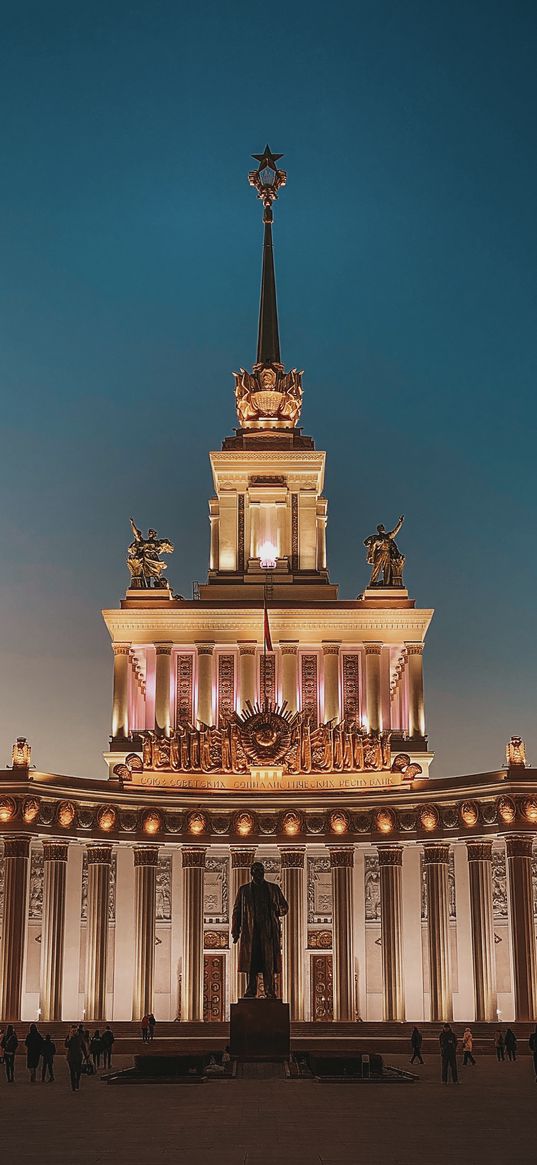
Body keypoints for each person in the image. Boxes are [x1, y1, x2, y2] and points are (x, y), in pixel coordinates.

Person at [231, 860, 289, 999]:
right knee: (252, 963)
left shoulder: (273, 889)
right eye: (256, 871)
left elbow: (284, 907)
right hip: (251, 932)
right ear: (252, 873)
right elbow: (237, 911)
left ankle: (270, 991)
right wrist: (235, 931)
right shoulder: (244, 890)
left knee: (268, 963)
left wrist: (276, 909)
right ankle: (251, 990)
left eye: (261, 871)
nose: (259, 873)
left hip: (268, 932)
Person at [65, 1026, 86, 1092]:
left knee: (78, 1071)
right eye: (73, 1031)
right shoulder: (69, 1037)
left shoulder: (80, 1037)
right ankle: (73, 1086)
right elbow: (66, 1045)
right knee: (72, 1072)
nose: (74, 1032)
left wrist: (86, 1056)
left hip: (78, 1056)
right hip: (71, 1057)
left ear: (77, 1030)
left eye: (75, 1030)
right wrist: (69, 1038)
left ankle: (77, 1082)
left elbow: (83, 1046)